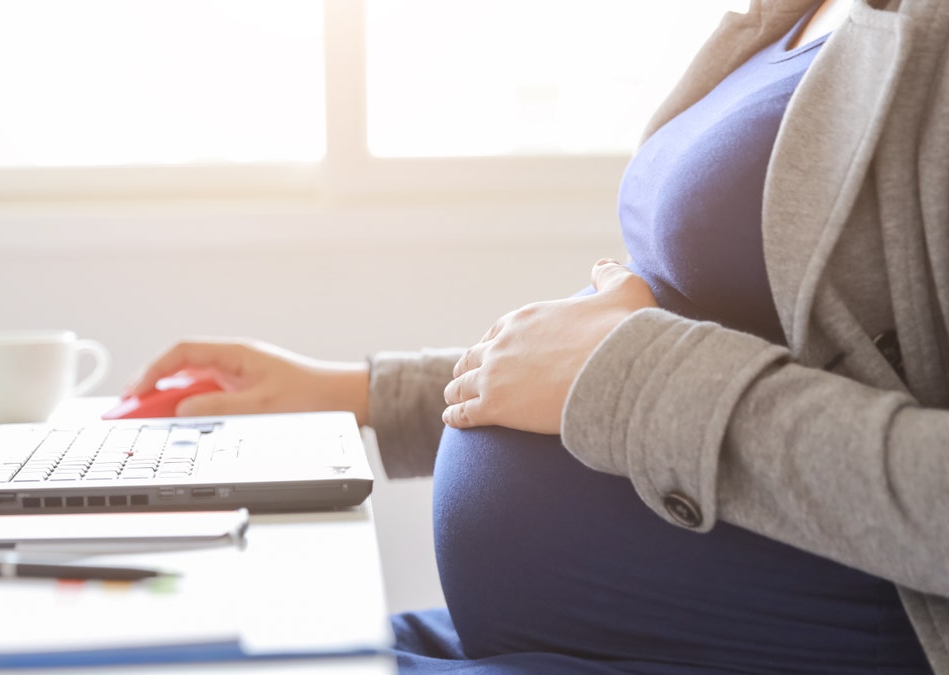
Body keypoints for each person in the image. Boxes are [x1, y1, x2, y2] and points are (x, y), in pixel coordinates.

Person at [126, 0, 949, 671]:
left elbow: (638, 361)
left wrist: (636, 376)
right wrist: (367, 396)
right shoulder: (797, 13)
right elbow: (681, 336)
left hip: (750, 644)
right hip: (578, 636)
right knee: (173, 646)